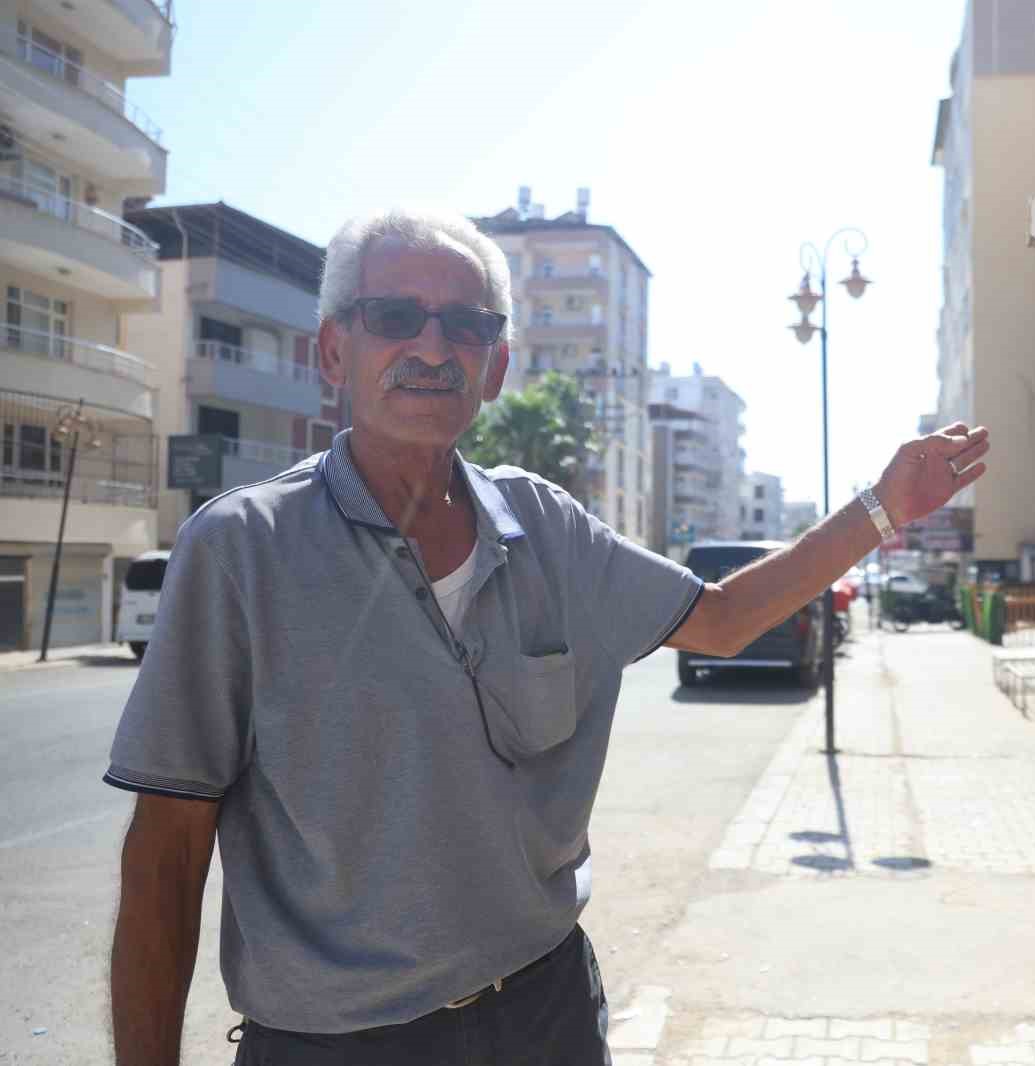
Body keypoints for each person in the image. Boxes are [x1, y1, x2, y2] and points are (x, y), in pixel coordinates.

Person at [104, 208, 990, 1066]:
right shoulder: (242, 549)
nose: (432, 347)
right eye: (395, 316)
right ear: (335, 349)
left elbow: (721, 619)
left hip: (545, 1015)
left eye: (466, 326)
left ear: (495, 368)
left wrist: (883, 508)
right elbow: (165, 854)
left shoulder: (545, 526)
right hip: (336, 1046)